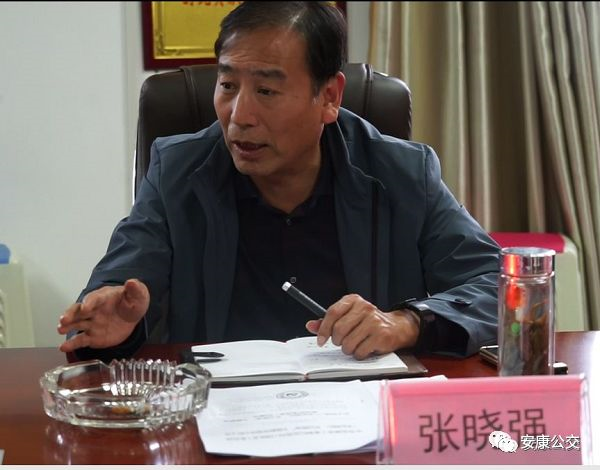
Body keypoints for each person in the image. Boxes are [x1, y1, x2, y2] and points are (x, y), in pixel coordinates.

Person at [58, 1, 500, 362]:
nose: (239, 116)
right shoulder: (177, 171)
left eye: (266, 91)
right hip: (217, 411)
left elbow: (498, 287)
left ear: (329, 97)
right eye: (227, 85)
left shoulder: (402, 174)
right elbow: (119, 286)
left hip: (363, 410)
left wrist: (406, 322)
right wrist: (114, 319)